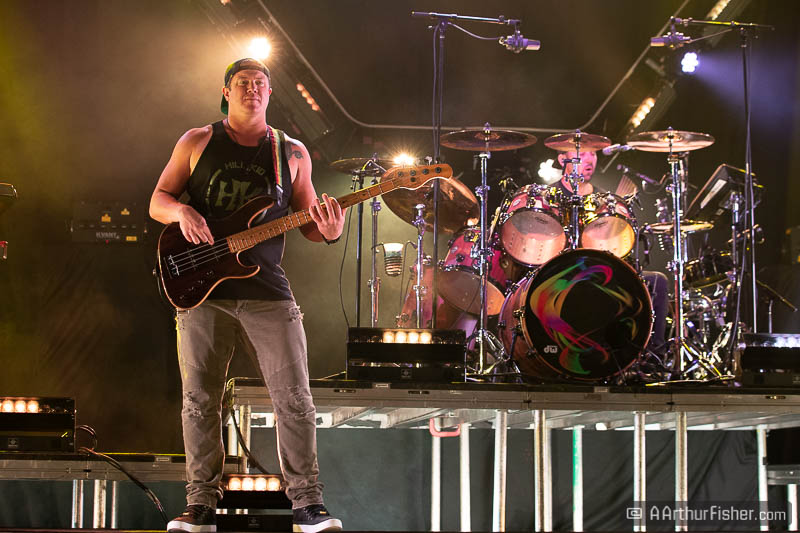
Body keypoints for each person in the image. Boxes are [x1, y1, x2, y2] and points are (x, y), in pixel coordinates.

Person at [149, 58, 344, 533]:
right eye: (242, 83)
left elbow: (309, 222)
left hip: (267, 289)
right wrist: (181, 213)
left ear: (270, 93)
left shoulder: (291, 152)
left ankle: (307, 505)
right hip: (203, 290)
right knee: (200, 400)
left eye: (260, 83)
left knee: (294, 398)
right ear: (226, 92)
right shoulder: (198, 140)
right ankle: (200, 505)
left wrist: (330, 230)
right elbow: (158, 201)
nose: (252, 89)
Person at [556, 149, 669, 357]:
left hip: (603, 270)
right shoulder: (550, 197)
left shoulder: (606, 201)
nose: (589, 159)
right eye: (582, 154)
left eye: (593, 154)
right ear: (562, 159)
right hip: (565, 271)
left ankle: (652, 358)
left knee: (657, 281)